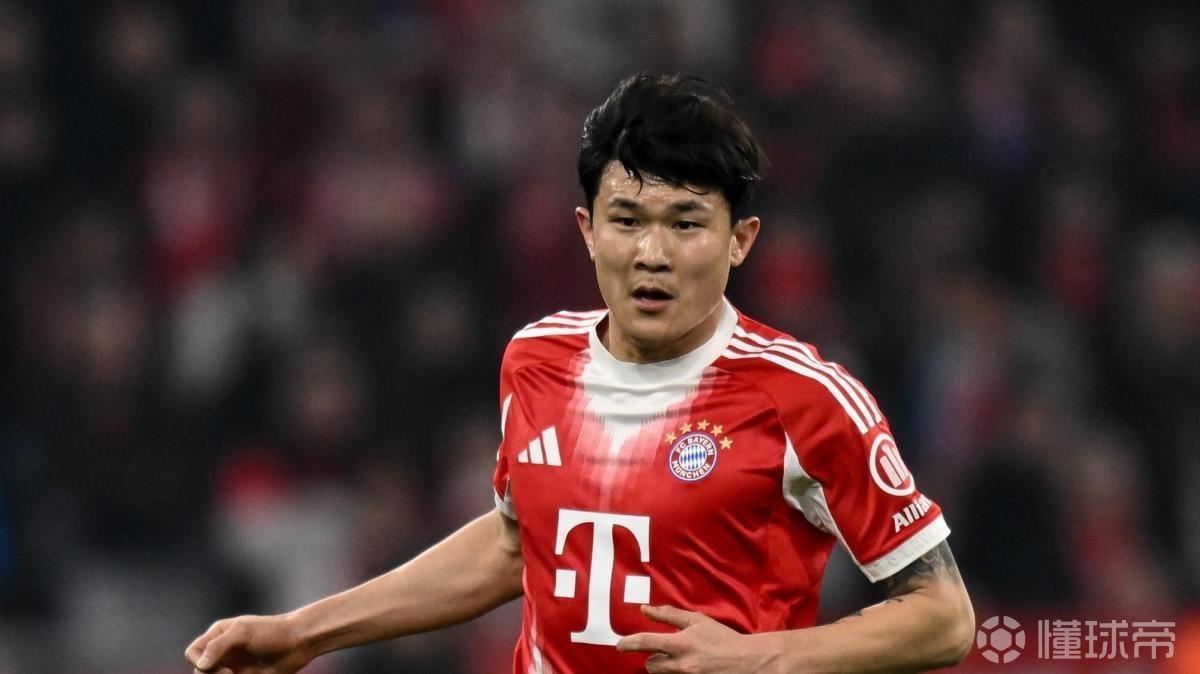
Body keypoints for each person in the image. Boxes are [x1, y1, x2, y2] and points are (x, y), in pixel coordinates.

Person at [186, 73, 974, 674]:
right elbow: (516, 542)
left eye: (687, 223)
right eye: (627, 220)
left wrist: (763, 657)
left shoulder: (804, 397)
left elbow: (943, 615)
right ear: (587, 230)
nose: (652, 253)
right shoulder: (537, 360)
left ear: (741, 240)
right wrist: (303, 632)